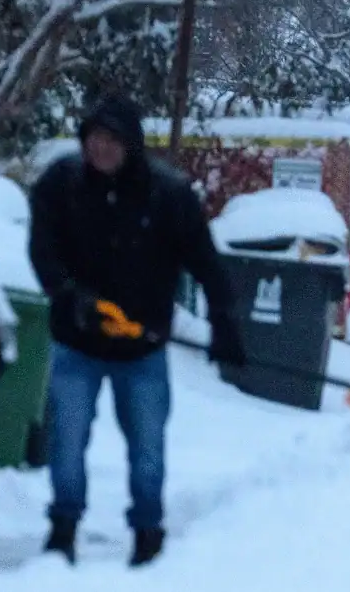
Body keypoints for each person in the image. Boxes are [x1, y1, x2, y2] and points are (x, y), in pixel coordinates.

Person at [27, 95, 245, 567]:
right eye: (93, 139)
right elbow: (43, 250)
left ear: (132, 145)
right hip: (77, 342)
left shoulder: (168, 195)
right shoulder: (60, 185)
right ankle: (63, 527)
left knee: (147, 446)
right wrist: (69, 295)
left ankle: (148, 532)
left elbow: (205, 261)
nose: (100, 149)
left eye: (112, 141)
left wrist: (224, 321)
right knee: (67, 439)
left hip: (141, 348)